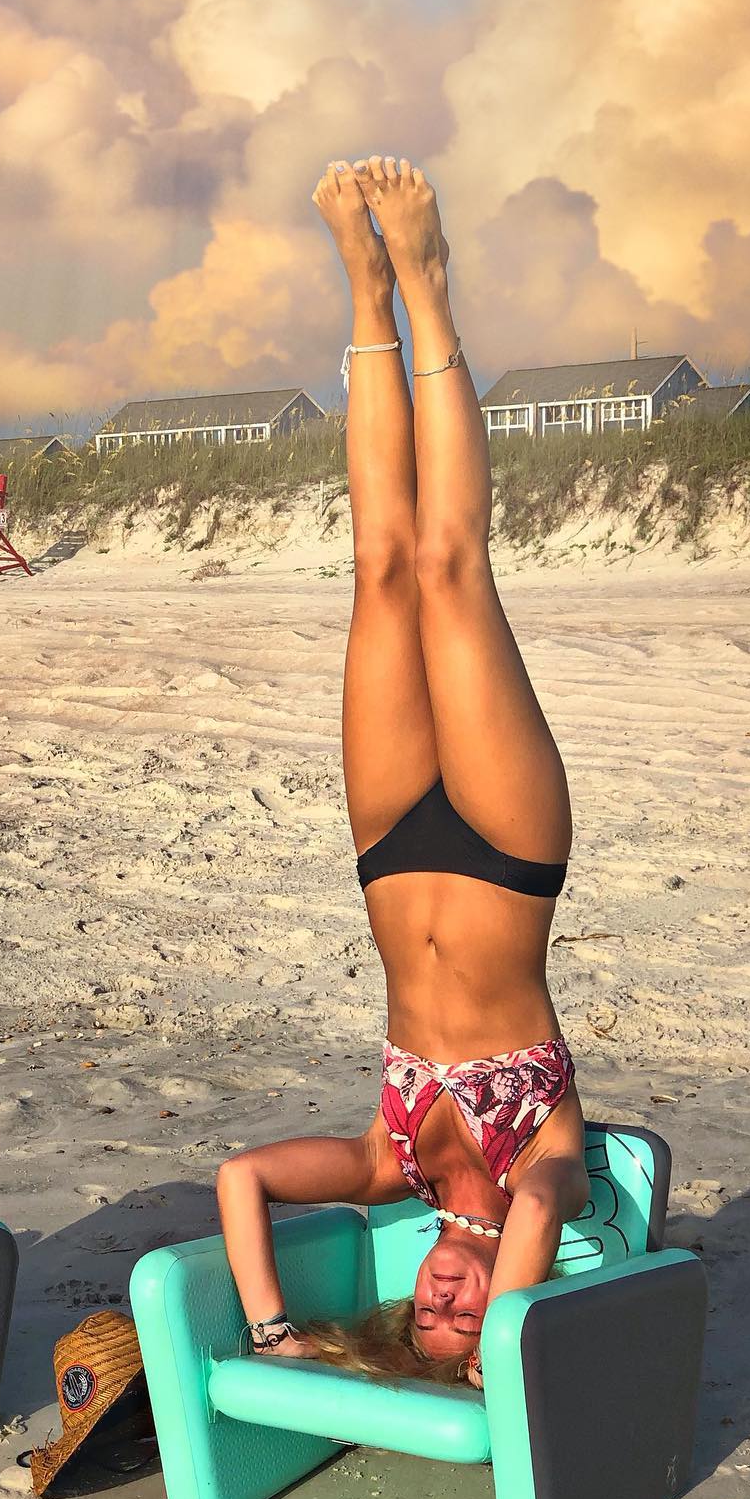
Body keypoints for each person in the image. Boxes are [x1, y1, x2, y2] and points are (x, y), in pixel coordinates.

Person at [216, 155, 588, 1389]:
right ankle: (432, 290)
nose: (439, 1306)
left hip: (389, 849)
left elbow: (242, 1180)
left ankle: (365, 293)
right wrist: (499, 1358)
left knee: (376, 565)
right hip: (505, 850)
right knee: (449, 571)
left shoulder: (392, 1172)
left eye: (421, 1324)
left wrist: (275, 1333)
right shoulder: (552, 1173)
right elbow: (529, 1228)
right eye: (461, 1322)